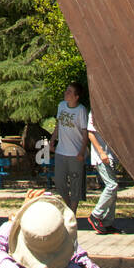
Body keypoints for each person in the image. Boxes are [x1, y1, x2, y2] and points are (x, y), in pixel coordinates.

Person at [50, 83, 89, 214]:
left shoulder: (81, 110)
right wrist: (52, 140)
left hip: (75, 153)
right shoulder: (61, 106)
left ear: (76, 96)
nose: (66, 93)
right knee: (60, 181)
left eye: (70, 91)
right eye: (66, 90)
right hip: (61, 151)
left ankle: (73, 211)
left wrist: (82, 152)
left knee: (75, 183)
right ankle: (68, 207)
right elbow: (58, 125)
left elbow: (85, 132)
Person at [87, 113, 120, 235]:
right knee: (112, 185)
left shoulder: (111, 108)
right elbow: (90, 133)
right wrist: (101, 152)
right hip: (102, 157)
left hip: (111, 156)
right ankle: (96, 215)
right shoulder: (95, 111)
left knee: (113, 191)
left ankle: (107, 223)